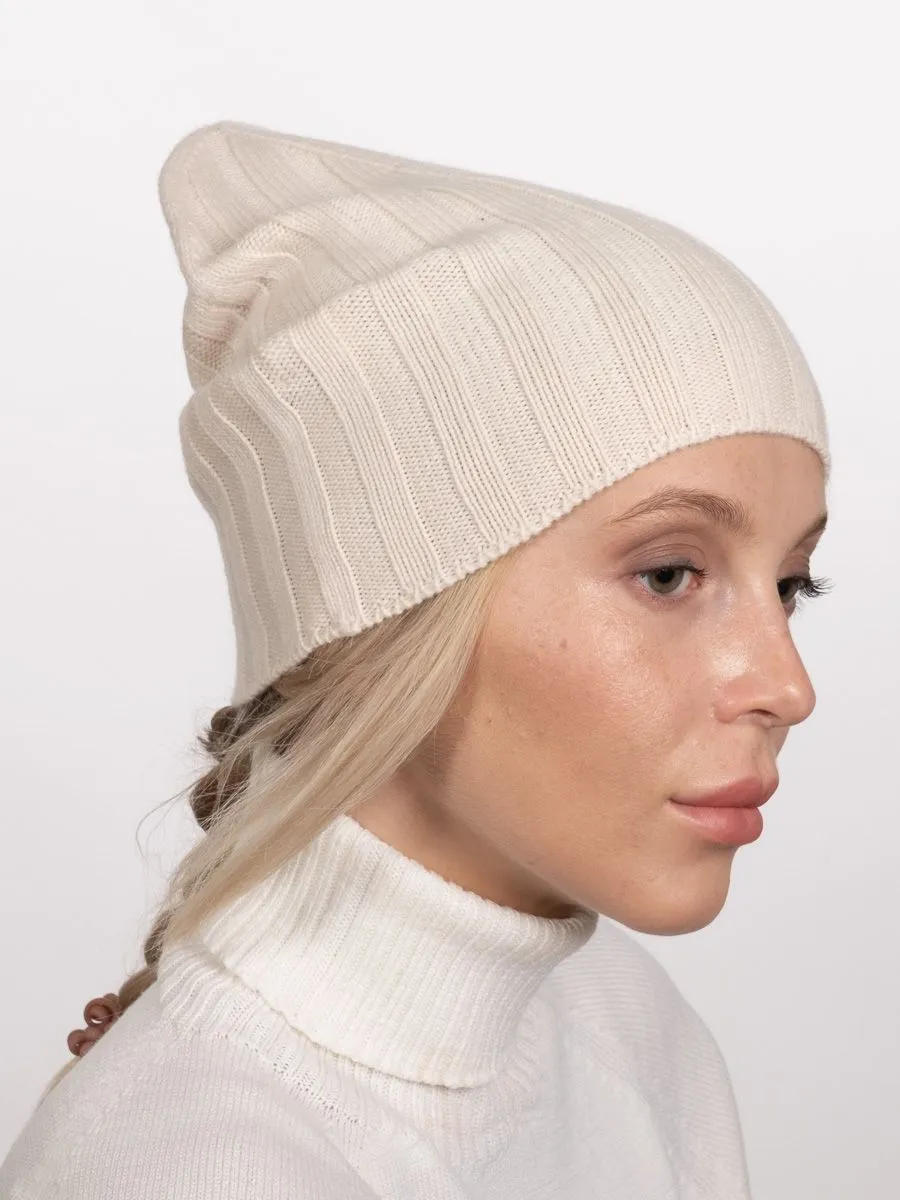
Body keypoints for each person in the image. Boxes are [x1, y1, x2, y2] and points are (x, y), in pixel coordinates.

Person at [0, 118, 831, 1199]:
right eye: (671, 574)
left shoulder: (629, 1029)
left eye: (791, 585)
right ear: (389, 614)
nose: (787, 687)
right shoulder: (199, 1166)